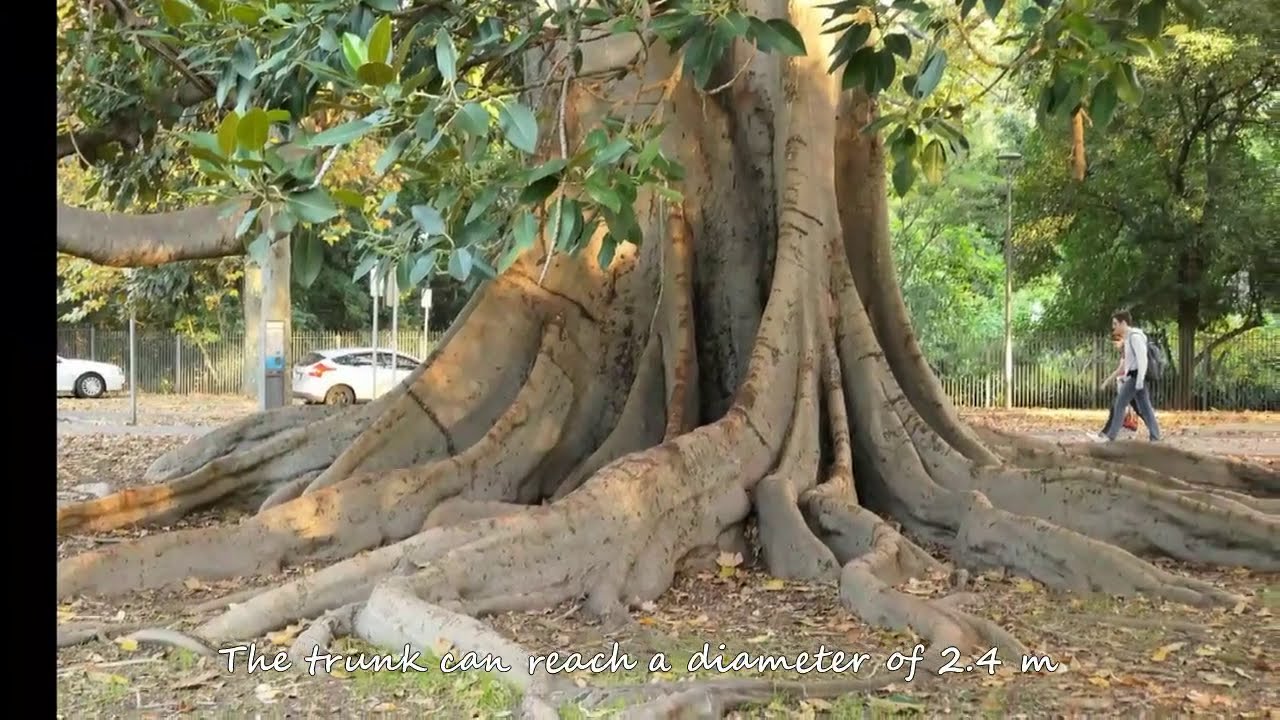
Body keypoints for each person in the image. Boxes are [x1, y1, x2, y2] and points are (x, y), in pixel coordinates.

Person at [1091, 311, 1161, 442]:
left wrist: (1140, 378)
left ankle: (1110, 437)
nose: (1113, 327)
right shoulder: (1129, 338)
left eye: (1115, 323)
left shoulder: (1135, 337)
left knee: (1119, 404)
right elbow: (1128, 363)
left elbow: (1142, 359)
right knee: (1145, 408)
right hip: (1134, 376)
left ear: (1123, 323)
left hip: (1136, 377)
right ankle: (1155, 437)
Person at [1098, 332, 1140, 436]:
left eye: (1117, 342)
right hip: (1128, 383)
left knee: (1117, 407)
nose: (1115, 345)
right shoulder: (1127, 351)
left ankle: (1106, 434)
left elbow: (1121, 369)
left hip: (1128, 384)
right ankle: (1108, 433)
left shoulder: (1127, 351)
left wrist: (1107, 381)